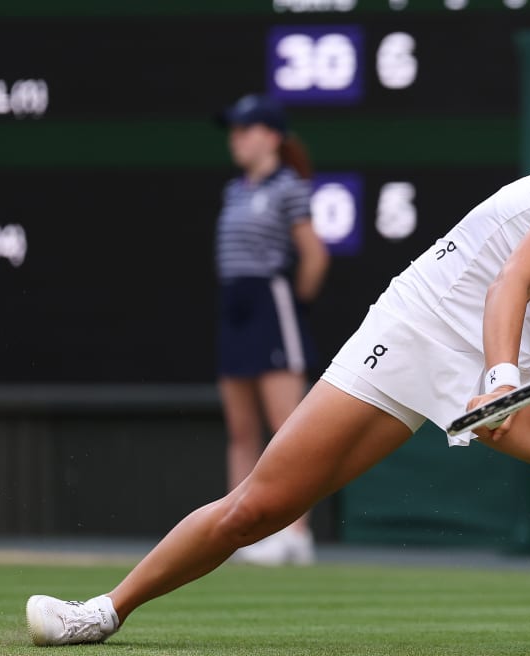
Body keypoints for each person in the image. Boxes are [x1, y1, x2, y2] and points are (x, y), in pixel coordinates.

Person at [25, 103, 530, 656]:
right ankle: (102, 612)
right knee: (260, 507)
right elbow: (514, 279)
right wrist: (498, 377)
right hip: (427, 320)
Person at [214, 93, 330, 565]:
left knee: (287, 429)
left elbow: (315, 256)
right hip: (234, 307)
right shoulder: (234, 189)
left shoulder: (288, 187)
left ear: (271, 137)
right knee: (242, 431)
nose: (236, 140)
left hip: (272, 304)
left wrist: (292, 302)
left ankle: (295, 534)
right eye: (234, 131)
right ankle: (235, 531)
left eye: (246, 130)